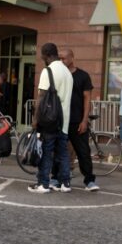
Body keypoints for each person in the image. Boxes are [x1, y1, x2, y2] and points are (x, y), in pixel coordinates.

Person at [29, 43, 73, 193]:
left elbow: (41, 98)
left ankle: (43, 184)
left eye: (42, 55)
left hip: (50, 120)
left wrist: (35, 120)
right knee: (62, 152)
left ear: (47, 55)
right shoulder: (67, 72)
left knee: (46, 151)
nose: (42, 58)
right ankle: (65, 183)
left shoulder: (48, 71)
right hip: (64, 120)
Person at [58, 48, 99, 191]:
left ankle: (89, 181)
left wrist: (84, 120)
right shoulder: (58, 76)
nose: (61, 61)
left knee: (83, 152)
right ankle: (56, 179)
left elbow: (87, 98)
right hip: (60, 121)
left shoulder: (83, 76)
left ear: (72, 58)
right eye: (59, 58)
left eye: (64, 58)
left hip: (77, 121)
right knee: (58, 151)